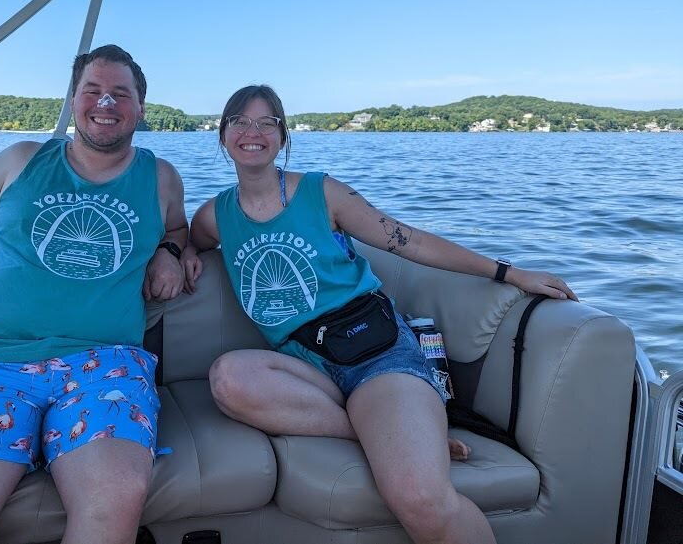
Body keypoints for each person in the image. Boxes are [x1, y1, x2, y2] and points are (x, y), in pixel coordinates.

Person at [182, 84, 577, 544]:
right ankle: (396, 436)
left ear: (283, 136)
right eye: (240, 122)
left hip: (375, 354)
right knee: (228, 377)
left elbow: (410, 241)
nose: (253, 132)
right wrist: (182, 251)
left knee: (420, 497)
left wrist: (509, 273)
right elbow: (192, 239)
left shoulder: (322, 193)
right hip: (304, 365)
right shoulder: (214, 216)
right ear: (223, 134)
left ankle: (404, 437)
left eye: (266, 122)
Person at [0, 45, 188, 544]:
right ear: (72, 100)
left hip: (107, 365)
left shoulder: (160, 176)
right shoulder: (21, 160)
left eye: (121, 94)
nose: (106, 103)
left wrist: (168, 248)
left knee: (114, 496)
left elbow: (180, 226)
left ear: (140, 107)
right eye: (92, 91)